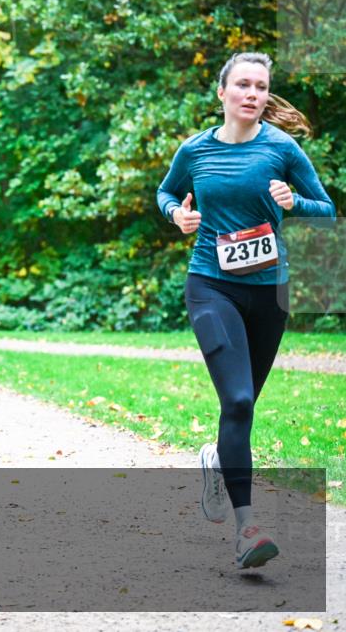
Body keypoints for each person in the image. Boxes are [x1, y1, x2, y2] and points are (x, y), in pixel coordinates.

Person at [156, 52, 335, 569]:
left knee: (244, 406)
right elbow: (167, 191)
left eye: (261, 86)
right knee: (236, 399)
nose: (252, 94)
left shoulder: (283, 149)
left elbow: (326, 210)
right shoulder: (196, 150)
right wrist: (177, 214)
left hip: (269, 294)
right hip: (211, 285)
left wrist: (294, 203)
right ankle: (247, 529)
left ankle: (216, 458)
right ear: (223, 93)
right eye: (243, 85)